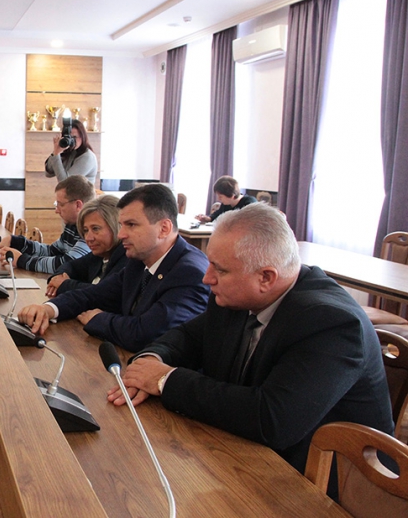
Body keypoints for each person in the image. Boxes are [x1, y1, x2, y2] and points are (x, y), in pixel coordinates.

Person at [111, 203, 393, 474]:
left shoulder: (331, 323)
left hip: (326, 479)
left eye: (220, 270)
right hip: (242, 451)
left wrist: (165, 380)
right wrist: (151, 361)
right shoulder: (237, 294)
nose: (207, 278)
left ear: (266, 278)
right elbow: (187, 337)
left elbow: (273, 420)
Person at [18, 184, 210, 352]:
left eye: (131, 225)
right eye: (121, 225)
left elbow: (145, 333)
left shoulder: (189, 273)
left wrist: (98, 319)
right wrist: (48, 309)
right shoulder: (139, 260)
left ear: (164, 229)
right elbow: (94, 295)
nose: (122, 234)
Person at [0, 175, 94, 274]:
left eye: (61, 204)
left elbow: (66, 264)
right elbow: (51, 252)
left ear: (78, 205)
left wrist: (21, 260)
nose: (57, 210)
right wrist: (16, 242)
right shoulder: (72, 226)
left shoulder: (90, 232)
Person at [45, 194, 127, 297]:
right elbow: (70, 266)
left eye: (95, 229)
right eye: (85, 230)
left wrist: (65, 284)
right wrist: (58, 277)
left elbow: (105, 293)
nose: (88, 238)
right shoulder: (100, 255)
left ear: (116, 226)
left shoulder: (128, 258)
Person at [44, 118, 98, 185]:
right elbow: (48, 173)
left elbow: (65, 183)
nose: (71, 140)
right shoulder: (71, 152)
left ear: (82, 137)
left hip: (81, 192)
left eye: (74, 137)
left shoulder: (87, 157)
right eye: (69, 137)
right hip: (69, 192)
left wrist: (56, 154)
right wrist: (56, 151)